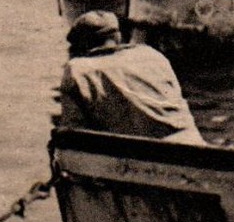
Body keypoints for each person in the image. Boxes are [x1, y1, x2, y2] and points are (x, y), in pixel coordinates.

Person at [55, 11, 204, 144]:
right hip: (192, 145)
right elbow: (178, 99)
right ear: (118, 37)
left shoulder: (78, 69)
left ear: (80, 45)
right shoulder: (152, 55)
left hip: (137, 154)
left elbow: (72, 135)